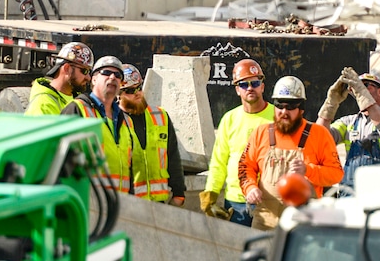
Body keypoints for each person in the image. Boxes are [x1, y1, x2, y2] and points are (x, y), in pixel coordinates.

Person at [238, 76, 343, 231]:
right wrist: (250, 188)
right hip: (265, 221)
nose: (284, 111)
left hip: (305, 223)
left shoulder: (319, 134)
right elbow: (245, 167)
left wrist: (308, 170)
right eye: (279, 105)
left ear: (301, 108)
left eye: (291, 106)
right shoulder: (261, 133)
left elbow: (336, 174)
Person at [199, 59, 275, 226]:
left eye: (255, 83)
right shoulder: (229, 119)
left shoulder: (277, 117)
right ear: (237, 90)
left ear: (262, 86)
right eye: (243, 85)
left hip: (268, 202)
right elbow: (219, 162)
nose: (250, 88)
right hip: (236, 203)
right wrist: (211, 193)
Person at [316, 67, 380, 189]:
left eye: (365, 86)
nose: (359, 89)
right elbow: (319, 139)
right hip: (353, 190)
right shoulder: (349, 122)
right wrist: (331, 103)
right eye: (357, 86)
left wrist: (364, 95)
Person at [61, 56, 133, 194]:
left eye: (118, 75)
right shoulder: (76, 109)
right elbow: (61, 160)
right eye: (106, 73)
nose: (112, 77)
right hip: (88, 201)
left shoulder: (126, 121)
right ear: (93, 79)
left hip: (119, 203)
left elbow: (131, 167)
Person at [119, 64, 186, 206]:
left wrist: (179, 192)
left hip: (159, 201)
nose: (137, 93)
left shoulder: (160, 116)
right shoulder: (114, 122)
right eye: (130, 90)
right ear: (118, 95)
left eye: (139, 87)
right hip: (129, 203)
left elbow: (173, 155)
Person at [24, 42, 94, 116]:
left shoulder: (79, 100)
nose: (88, 78)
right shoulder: (43, 104)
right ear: (67, 68)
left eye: (89, 71)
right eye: (84, 71)